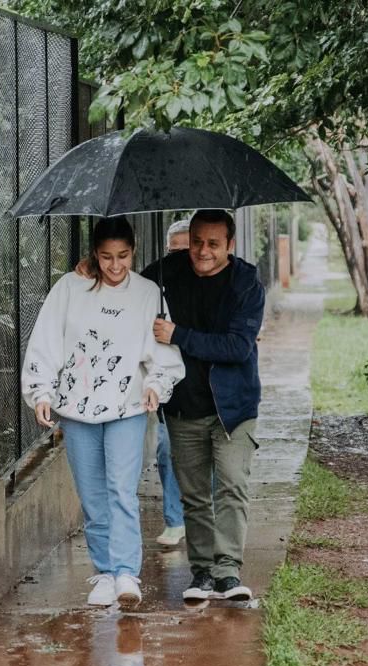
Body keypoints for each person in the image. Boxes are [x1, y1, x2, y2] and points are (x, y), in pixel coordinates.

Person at [21, 217, 185, 608]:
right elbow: (46, 340)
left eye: (123, 256)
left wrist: (154, 384)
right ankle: (105, 572)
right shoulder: (69, 288)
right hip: (77, 411)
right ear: (94, 255)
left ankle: (127, 572)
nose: (115, 266)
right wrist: (40, 391)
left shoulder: (148, 292)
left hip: (127, 407)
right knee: (93, 495)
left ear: (133, 252)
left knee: (121, 491)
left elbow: (161, 353)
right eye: (107, 257)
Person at [146, 209, 264, 603]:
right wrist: (90, 269)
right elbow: (123, 285)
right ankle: (202, 574)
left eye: (213, 244)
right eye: (196, 241)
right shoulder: (166, 272)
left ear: (230, 245)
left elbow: (237, 347)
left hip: (233, 408)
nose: (202, 251)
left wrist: (179, 335)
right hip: (184, 406)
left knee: (231, 486)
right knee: (194, 495)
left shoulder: (246, 283)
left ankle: (228, 572)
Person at [153, 219, 190, 546]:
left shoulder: (211, 285)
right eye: (173, 250)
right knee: (166, 449)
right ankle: (174, 521)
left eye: (186, 250)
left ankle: (203, 516)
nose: (179, 257)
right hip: (168, 386)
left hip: (205, 386)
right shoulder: (154, 288)